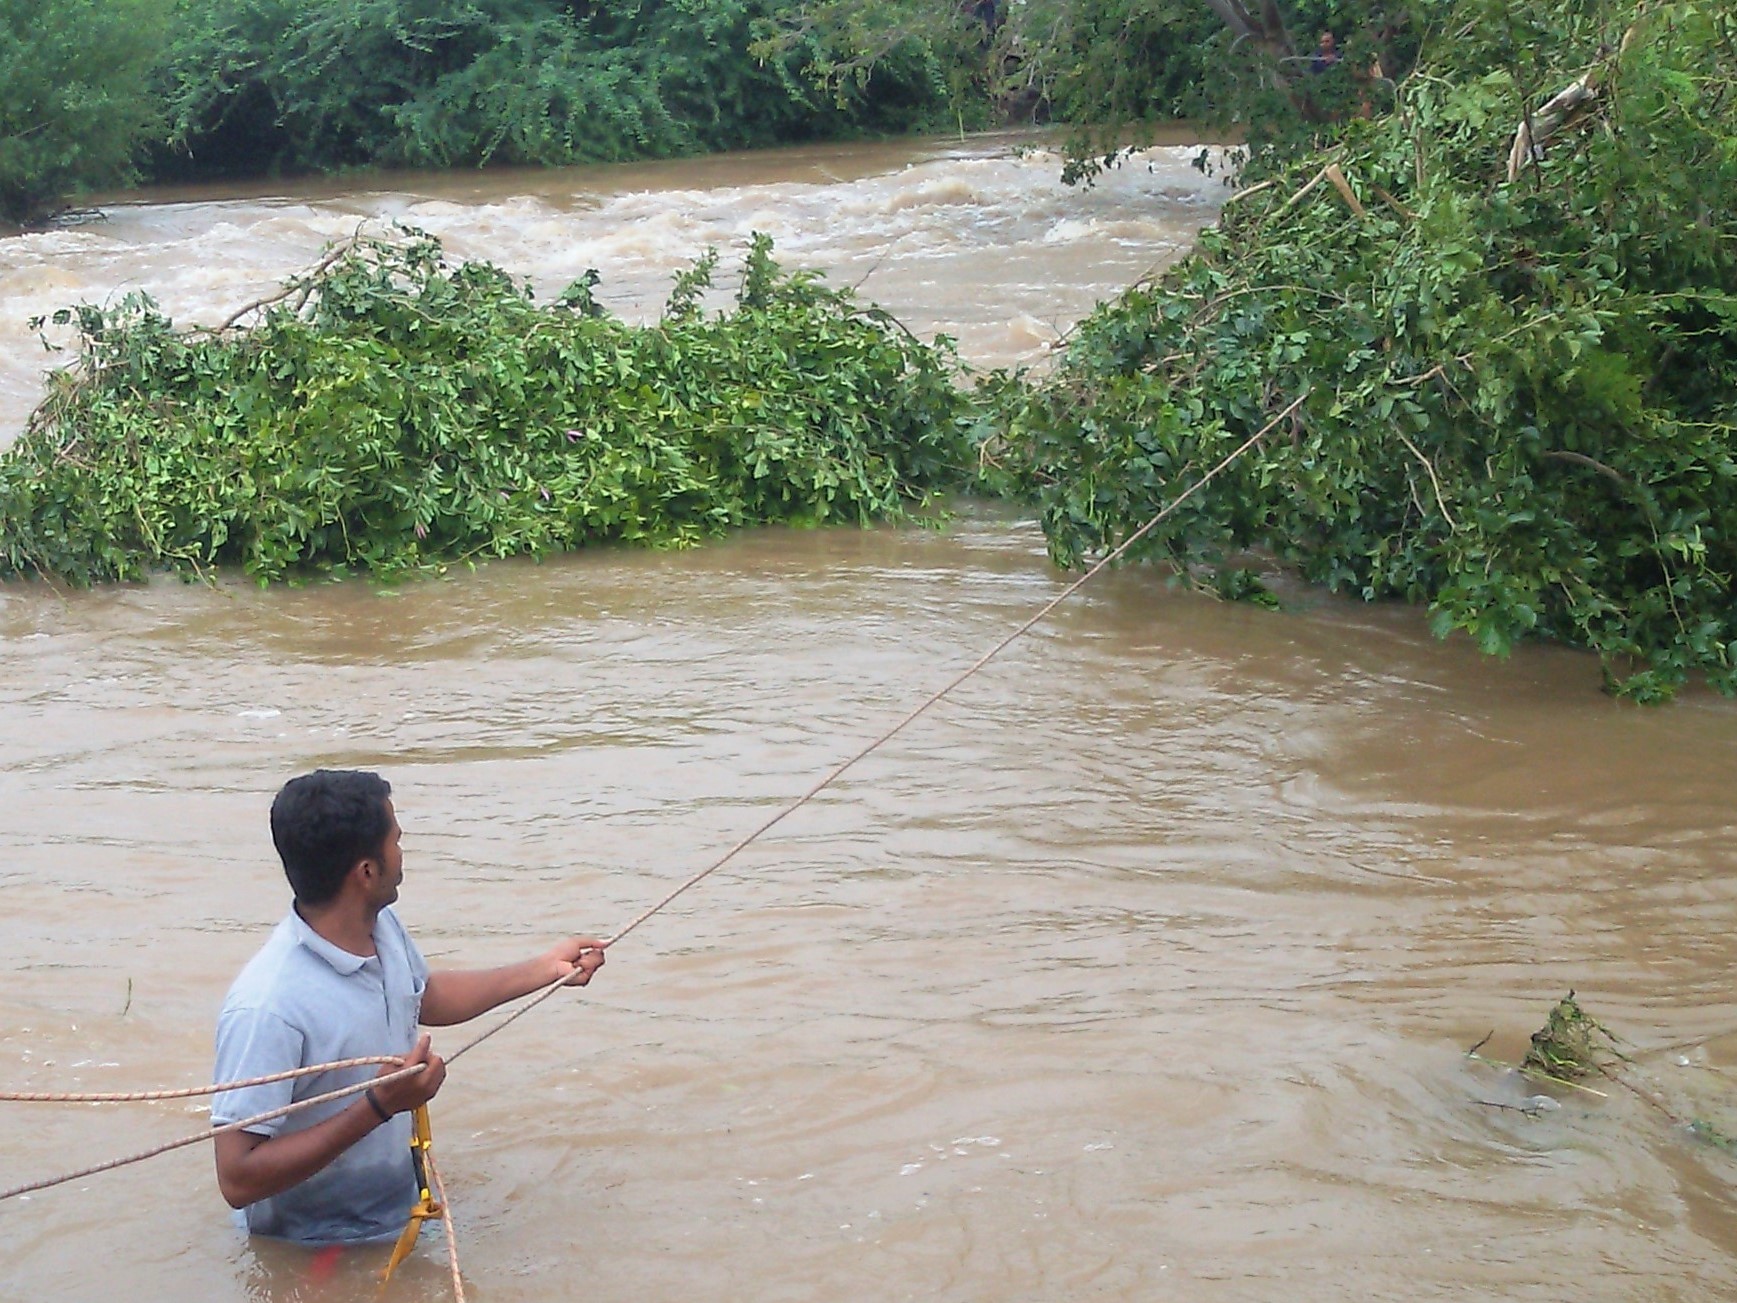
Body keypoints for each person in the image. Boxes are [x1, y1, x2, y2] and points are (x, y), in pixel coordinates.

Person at [211, 769, 605, 1244]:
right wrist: (378, 1107)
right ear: (367, 872)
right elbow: (237, 1179)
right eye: (396, 839)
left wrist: (544, 970)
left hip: (397, 1214)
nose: (403, 853)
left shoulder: (380, 929)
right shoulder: (266, 1006)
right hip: (311, 1243)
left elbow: (424, 996)